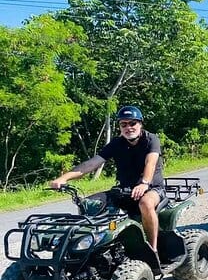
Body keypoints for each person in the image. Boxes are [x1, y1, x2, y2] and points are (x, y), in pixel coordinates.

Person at [50, 106, 165, 252]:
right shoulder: (116, 143)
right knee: (88, 204)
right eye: (124, 124)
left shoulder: (151, 139)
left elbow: (151, 162)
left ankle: (152, 248)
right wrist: (63, 178)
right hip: (124, 190)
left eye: (132, 123)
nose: (128, 127)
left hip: (152, 188)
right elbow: (92, 164)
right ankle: (90, 246)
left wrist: (144, 183)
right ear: (119, 127)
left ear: (140, 124)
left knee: (146, 203)